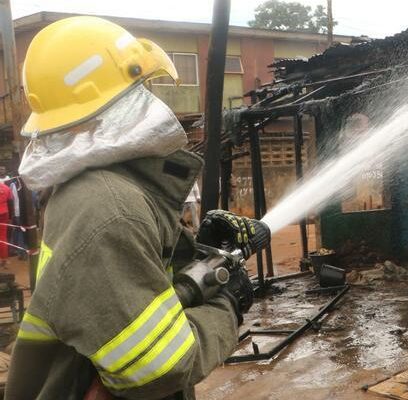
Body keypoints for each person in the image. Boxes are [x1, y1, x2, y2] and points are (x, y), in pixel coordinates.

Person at [6, 17, 254, 400]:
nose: (154, 99)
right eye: (141, 87)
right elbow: (157, 368)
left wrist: (193, 254)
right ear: (117, 104)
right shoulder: (105, 206)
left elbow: (126, 291)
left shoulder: (103, 189)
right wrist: (227, 302)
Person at [0, 176, 10, 266]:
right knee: (3, 237)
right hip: (4, 213)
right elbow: (10, 201)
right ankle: (4, 260)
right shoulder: (6, 188)